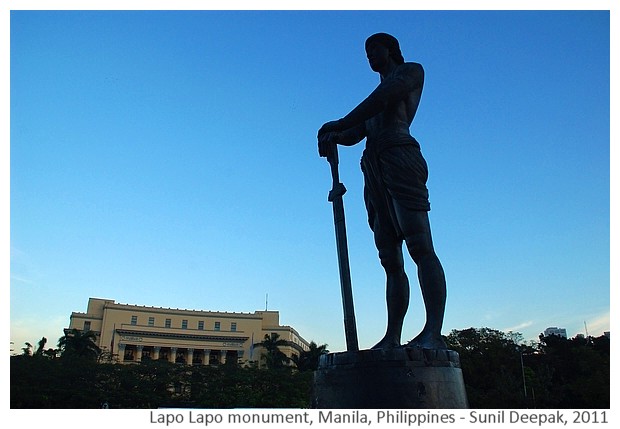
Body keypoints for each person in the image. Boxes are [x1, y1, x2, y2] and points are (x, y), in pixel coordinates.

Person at [318, 33, 447, 350]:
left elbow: (385, 98)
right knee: (389, 257)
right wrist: (330, 134)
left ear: (391, 50)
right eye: (366, 52)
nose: (369, 56)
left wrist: (342, 120)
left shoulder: (410, 72)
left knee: (419, 245)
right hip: (373, 166)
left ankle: (433, 332)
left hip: (399, 155)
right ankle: (392, 336)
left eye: (374, 49)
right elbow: (353, 133)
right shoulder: (373, 100)